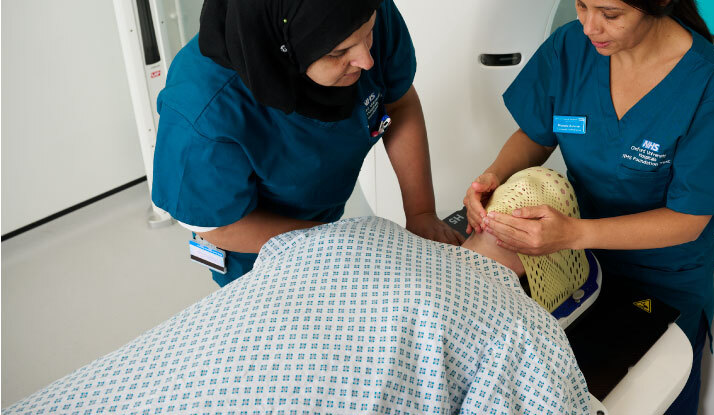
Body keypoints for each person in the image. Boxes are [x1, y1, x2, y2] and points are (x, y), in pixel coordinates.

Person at [463, 0, 714, 414]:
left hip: (659, 280)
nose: (589, 26)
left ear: (660, 1)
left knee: (635, 391)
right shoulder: (570, 49)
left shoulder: (710, 89)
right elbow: (534, 134)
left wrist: (573, 235)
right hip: (568, 257)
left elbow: (690, 220)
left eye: (610, 13)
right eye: (579, 5)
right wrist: (496, 174)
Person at [8, 174, 596, 415]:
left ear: (474, 220)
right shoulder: (521, 330)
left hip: (143, 381)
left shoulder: (364, 230)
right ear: (543, 281)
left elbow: (277, 259)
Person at [152, 0, 462, 286]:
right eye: (339, 52)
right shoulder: (204, 110)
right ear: (285, 51)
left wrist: (422, 212)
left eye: (369, 34)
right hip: (252, 247)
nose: (366, 60)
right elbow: (216, 226)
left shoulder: (359, 12)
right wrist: (341, 243)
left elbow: (399, 103)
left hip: (323, 214)